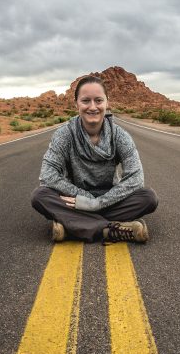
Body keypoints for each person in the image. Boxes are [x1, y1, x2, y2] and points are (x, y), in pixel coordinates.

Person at [31, 75, 158, 243]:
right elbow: (47, 175)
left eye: (98, 100)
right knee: (40, 195)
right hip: (75, 199)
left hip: (110, 199)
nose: (93, 107)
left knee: (148, 197)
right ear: (76, 104)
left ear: (107, 103)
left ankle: (72, 225)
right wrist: (86, 200)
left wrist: (97, 204)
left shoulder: (119, 135)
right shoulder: (65, 134)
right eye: (85, 101)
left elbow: (136, 178)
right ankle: (109, 230)